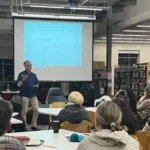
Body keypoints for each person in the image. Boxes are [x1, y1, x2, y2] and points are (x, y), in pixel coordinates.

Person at [17, 60, 39, 131]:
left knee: (36, 110)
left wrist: (36, 86)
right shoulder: (21, 74)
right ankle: (24, 126)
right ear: (25, 66)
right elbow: (18, 85)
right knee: (24, 111)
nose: (30, 66)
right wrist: (23, 80)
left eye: (31, 65)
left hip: (33, 95)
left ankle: (34, 126)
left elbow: (37, 84)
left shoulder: (33, 75)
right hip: (24, 95)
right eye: (28, 65)